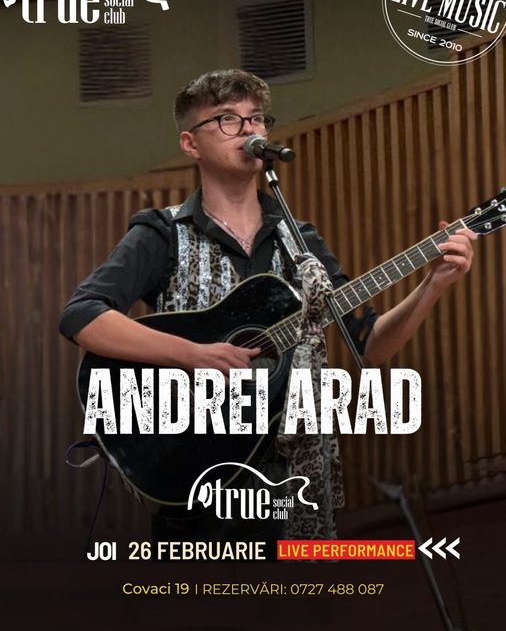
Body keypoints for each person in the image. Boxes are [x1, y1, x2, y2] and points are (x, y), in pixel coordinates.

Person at [59, 69, 477, 553]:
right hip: (196, 466)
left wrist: (432, 284)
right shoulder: (162, 233)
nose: (249, 129)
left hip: (293, 474)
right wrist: (194, 355)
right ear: (191, 144)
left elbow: (370, 345)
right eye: (228, 119)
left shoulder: (299, 240)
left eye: (256, 118)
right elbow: (82, 315)